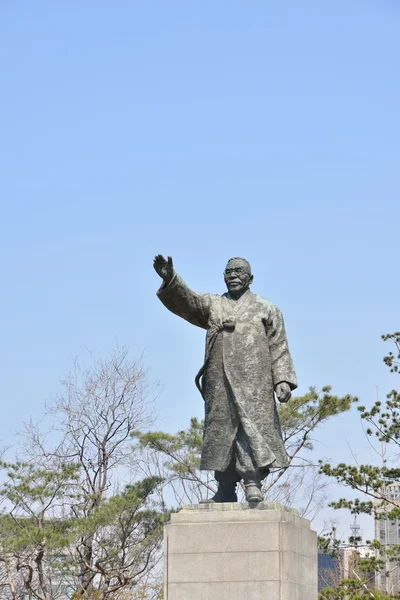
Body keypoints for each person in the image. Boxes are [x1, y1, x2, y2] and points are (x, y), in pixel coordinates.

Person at [153, 254, 297, 503]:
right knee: (220, 430)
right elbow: (189, 302)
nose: (233, 276)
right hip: (219, 381)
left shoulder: (267, 309)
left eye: (239, 272)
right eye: (229, 272)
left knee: (250, 430)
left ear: (250, 279)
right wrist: (171, 279)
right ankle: (225, 487)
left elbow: (279, 346)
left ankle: (253, 481)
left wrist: (282, 380)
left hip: (255, 383)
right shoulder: (213, 304)